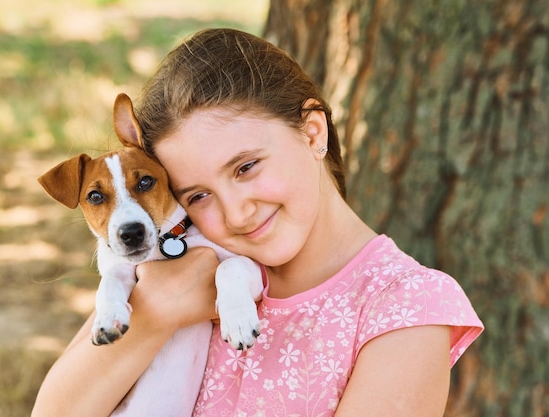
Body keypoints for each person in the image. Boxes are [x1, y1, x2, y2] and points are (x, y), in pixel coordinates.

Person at [32, 28, 483, 417]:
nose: (234, 212)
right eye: (198, 195)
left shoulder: (403, 311)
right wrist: (157, 311)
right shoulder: (178, 262)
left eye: (246, 167)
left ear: (312, 133)